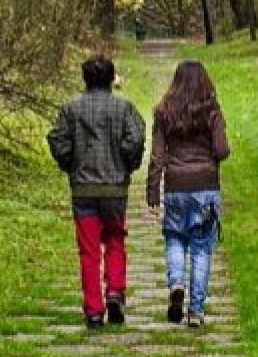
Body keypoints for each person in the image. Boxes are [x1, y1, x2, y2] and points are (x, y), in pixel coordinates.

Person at [47, 55, 146, 329]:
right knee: (115, 238)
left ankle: (93, 310)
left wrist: (70, 164)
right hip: (114, 188)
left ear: (85, 78)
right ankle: (115, 291)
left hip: (83, 190)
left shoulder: (70, 109)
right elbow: (135, 138)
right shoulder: (124, 107)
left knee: (88, 250)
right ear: (111, 78)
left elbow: (57, 139)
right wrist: (128, 162)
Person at [146, 60, 231, 328]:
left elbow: (157, 157)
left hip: (176, 187)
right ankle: (196, 311)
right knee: (201, 248)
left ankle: (176, 283)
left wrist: (153, 196)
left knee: (174, 238)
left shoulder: (164, 112)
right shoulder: (211, 111)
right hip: (205, 187)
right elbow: (221, 150)